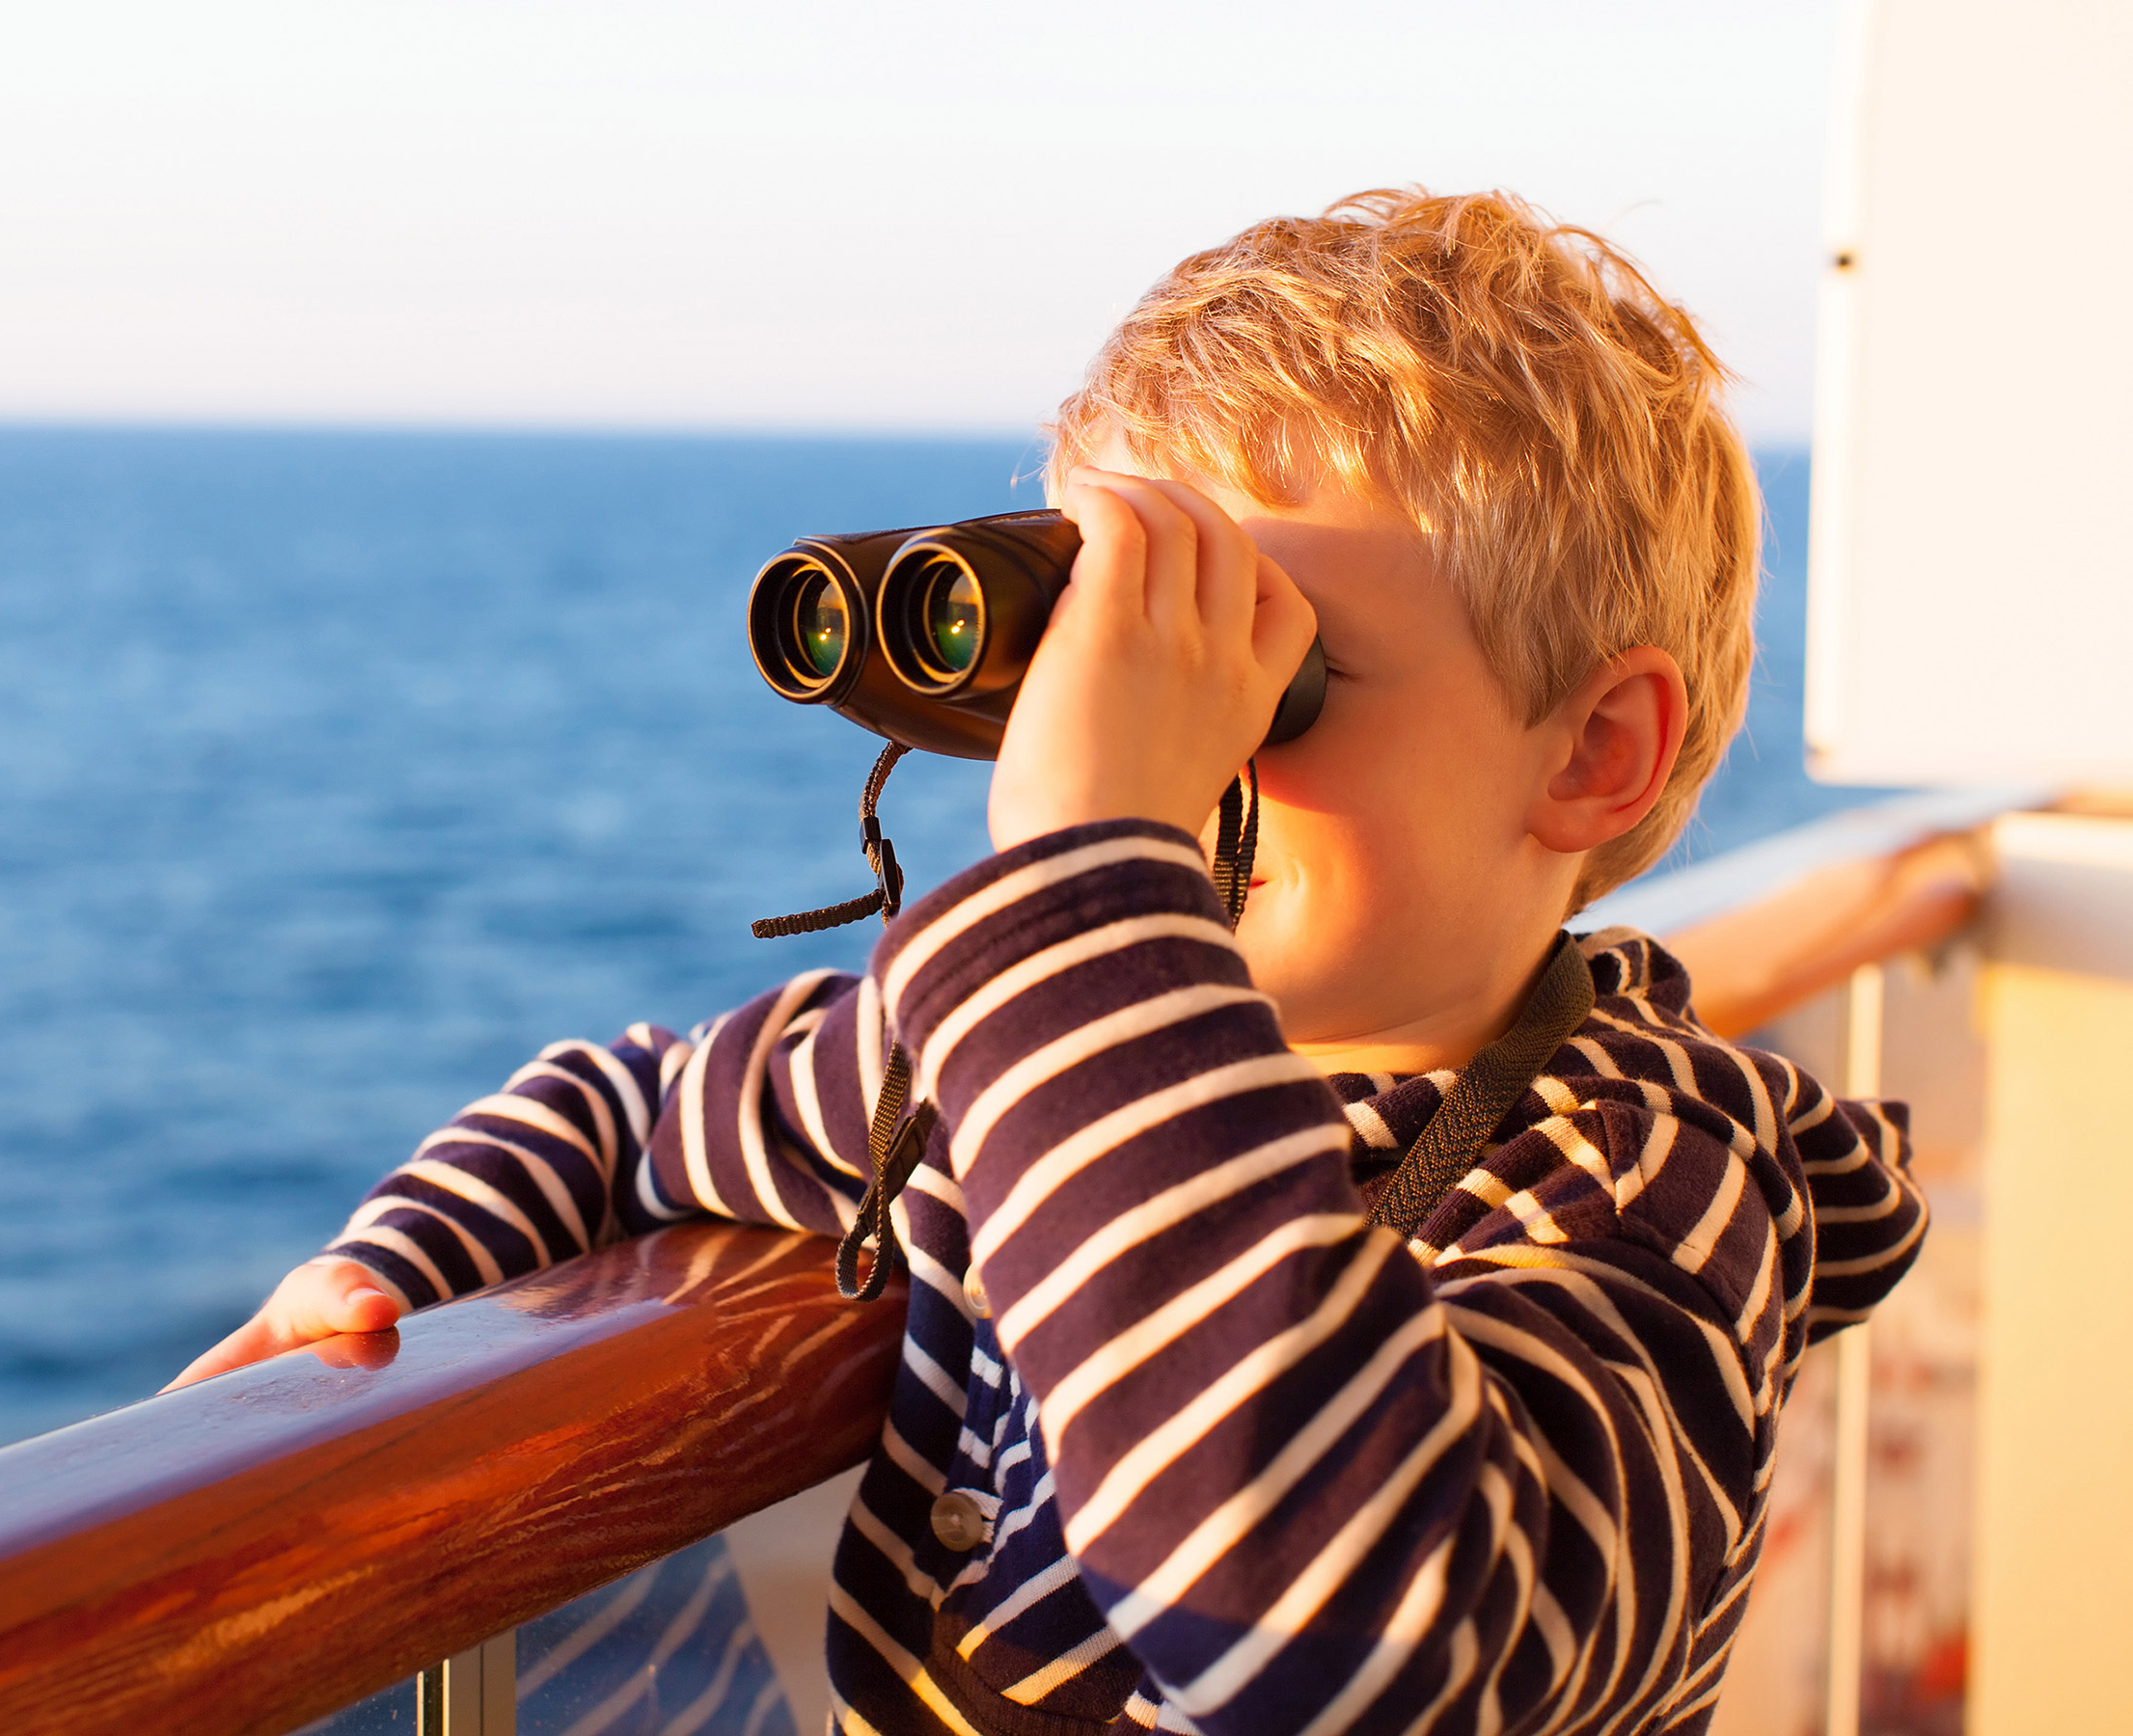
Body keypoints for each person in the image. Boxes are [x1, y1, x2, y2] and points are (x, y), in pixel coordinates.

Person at [173, 189, 1926, 1735]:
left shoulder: (1643, 1203)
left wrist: (1092, 882)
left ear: (1592, 753)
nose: (1176, 748)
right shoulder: (992, 1063)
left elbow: (1358, 1649)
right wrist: (392, 1283)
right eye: (1129, 657)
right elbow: (626, 1106)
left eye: (1268, 669)